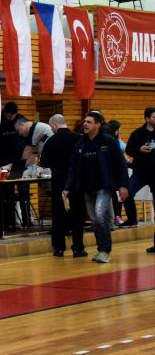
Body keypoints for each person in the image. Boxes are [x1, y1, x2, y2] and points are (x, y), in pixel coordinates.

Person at [64, 112, 130, 264]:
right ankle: (101, 249)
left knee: (100, 216)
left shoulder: (109, 142)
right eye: (85, 122)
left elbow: (121, 164)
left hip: (104, 187)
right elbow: (73, 168)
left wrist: (123, 185)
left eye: (89, 122)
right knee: (94, 220)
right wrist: (67, 187)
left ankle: (105, 250)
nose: (85, 124)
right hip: (86, 188)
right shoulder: (80, 144)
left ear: (98, 124)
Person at [41, 114, 85, 257]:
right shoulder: (79, 138)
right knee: (77, 214)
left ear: (54, 125)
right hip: (76, 182)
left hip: (59, 181)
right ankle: (78, 248)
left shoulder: (51, 141)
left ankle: (59, 248)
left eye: (51, 127)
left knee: (58, 214)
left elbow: (44, 162)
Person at [123, 107, 155, 245]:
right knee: (127, 192)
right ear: (147, 118)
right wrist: (139, 149)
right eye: (154, 117)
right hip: (140, 172)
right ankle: (132, 219)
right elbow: (128, 150)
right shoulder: (137, 133)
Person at [103, 120, 135, 227]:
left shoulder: (111, 139)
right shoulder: (113, 140)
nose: (119, 132)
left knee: (117, 196)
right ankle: (120, 217)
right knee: (119, 196)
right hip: (116, 173)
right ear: (115, 130)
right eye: (119, 130)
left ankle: (118, 217)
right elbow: (123, 151)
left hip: (113, 173)